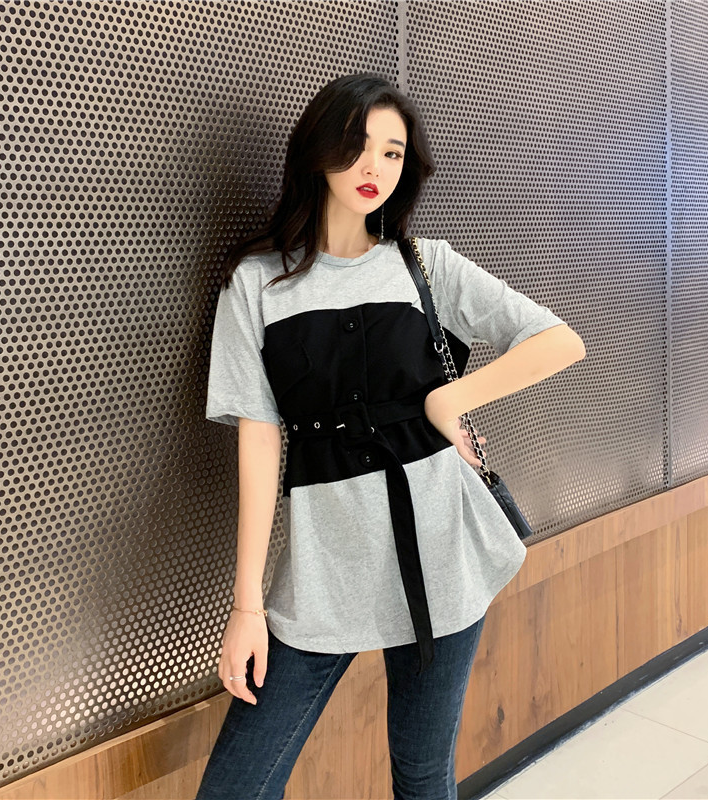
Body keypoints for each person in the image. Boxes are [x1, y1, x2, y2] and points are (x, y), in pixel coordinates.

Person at [195, 72, 585, 800]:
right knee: (235, 790)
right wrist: (247, 607)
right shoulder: (257, 282)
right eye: (358, 144)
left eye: (393, 152)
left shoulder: (424, 265)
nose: (374, 166)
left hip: (441, 550)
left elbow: (560, 340)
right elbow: (259, 438)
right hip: (324, 569)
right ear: (319, 151)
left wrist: (448, 400)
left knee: (422, 778)